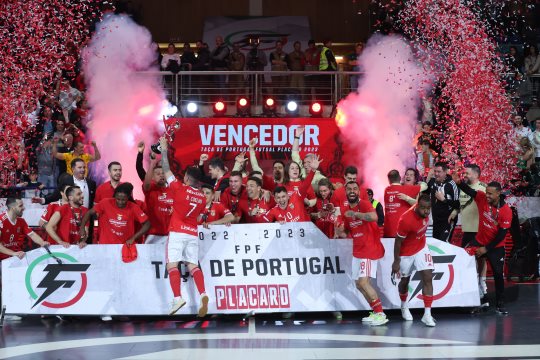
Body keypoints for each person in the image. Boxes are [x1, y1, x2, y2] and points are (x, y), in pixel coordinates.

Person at [159, 137, 209, 317]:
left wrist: (164, 149)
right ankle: (203, 293)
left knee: (172, 265)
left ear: (187, 177)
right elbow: (200, 215)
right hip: (192, 233)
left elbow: (166, 169)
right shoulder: (203, 198)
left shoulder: (179, 188)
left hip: (177, 232)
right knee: (193, 265)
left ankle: (177, 297)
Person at [452, 172, 511, 315]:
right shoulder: (482, 198)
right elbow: (470, 191)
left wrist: (485, 249)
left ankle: (500, 304)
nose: (487, 196)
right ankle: (477, 299)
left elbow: (501, 235)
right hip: (478, 240)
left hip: (496, 247)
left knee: (497, 274)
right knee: (464, 263)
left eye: (490, 194)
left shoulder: (506, 211)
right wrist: (459, 183)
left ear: (498, 194)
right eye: (487, 193)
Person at [336, 181, 388, 326]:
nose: (352, 191)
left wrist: (355, 213)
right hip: (357, 251)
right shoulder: (345, 209)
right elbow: (347, 231)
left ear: (359, 192)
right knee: (359, 284)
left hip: (369, 249)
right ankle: (375, 312)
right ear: (346, 192)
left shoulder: (364, 204)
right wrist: (339, 231)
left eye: (355, 189)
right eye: (349, 189)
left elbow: (373, 217)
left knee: (364, 282)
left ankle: (380, 314)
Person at [392, 194, 436, 327]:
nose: (426, 211)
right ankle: (404, 305)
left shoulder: (426, 212)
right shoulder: (405, 219)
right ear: (417, 206)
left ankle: (427, 314)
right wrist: (396, 261)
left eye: (428, 208)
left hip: (421, 248)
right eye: (423, 208)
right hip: (406, 253)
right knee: (405, 281)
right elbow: (398, 241)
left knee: (428, 277)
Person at [448, 164, 488, 303]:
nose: (465, 175)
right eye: (464, 173)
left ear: (476, 175)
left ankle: (482, 285)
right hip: (467, 228)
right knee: (467, 257)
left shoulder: (483, 188)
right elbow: (462, 203)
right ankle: (471, 285)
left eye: (468, 173)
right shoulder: (463, 187)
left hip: (480, 229)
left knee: (481, 257)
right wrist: (454, 212)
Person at [79, 183, 150, 245]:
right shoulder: (105, 203)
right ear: (115, 196)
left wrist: (133, 238)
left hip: (124, 246)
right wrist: (82, 227)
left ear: (128, 197)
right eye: (118, 199)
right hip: (105, 245)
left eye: (123, 200)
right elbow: (89, 212)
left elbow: (147, 224)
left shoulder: (134, 207)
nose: (120, 202)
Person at [383, 170, 425, 238]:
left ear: (415, 179)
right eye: (407, 174)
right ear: (401, 178)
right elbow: (424, 186)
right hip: (400, 230)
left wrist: (408, 198)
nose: (408, 176)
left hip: (397, 229)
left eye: (411, 175)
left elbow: (420, 207)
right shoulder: (405, 189)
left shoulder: (387, 189)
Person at [425, 162, 460, 242]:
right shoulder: (432, 182)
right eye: (435, 171)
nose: (436, 174)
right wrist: (428, 178)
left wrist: (444, 200)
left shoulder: (451, 184)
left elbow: (458, 204)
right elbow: (425, 194)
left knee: (445, 244)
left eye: (439, 172)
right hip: (436, 221)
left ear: (445, 172)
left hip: (447, 222)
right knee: (436, 244)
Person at [143, 158, 173, 244]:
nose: (161, 175)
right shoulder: (150, 189)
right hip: (153, 234)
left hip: (169, 235)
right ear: (152, 176)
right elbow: (146, 184)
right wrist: (152, 163)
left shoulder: (172, 190)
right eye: (158, 174)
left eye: (163, 173)